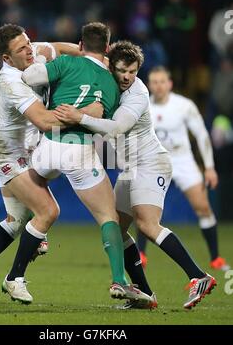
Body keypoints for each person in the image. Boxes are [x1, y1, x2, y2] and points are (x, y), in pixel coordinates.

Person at [53, 40, 216, 309]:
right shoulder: (105, 78)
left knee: (148, 225)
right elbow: (86, 55)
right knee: (116, 229)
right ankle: (145, 294)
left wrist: (78, 117)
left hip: (152, 162)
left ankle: (199, 276)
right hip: (131, 168)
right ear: (111, 66)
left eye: (133, 71)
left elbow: (117, 128)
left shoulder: (137, 93)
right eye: (123, 71)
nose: (128, 77)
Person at [0, 23, 99, 309]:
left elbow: (57, 47)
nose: (29, 50)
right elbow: (43, 121)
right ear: (7, 58)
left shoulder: (31, 52)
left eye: (28, 42)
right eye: (21, 49)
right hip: (7, 153)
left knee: (16, 222)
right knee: (48, 210)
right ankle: (15, 277)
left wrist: (92, 57)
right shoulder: (10, 81)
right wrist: (82, 116)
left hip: (29, 151)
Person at [22, 22, 155, 307]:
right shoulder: (112, 81)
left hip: (46, 146)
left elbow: (30, 75)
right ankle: (120, 280)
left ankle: (39, 233)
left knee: (35, 183)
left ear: (81, 45)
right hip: (78, 151)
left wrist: (54, 51)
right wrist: (83, 113)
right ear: (107, 49)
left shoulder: (68, 61)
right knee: (109, 217)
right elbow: (103, 119)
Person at [136, 66, 230, 272]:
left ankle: (215, 258)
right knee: (144, 207)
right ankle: (141, 254)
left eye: (162, 82)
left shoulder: (184, 106)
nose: (158, 86)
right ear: (149, 85)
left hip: (182, 160)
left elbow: (202, 135)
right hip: (154, 161)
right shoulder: (143, 105)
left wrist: (209, 167)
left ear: (170, 84)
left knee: (203, 208)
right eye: (154, 82)